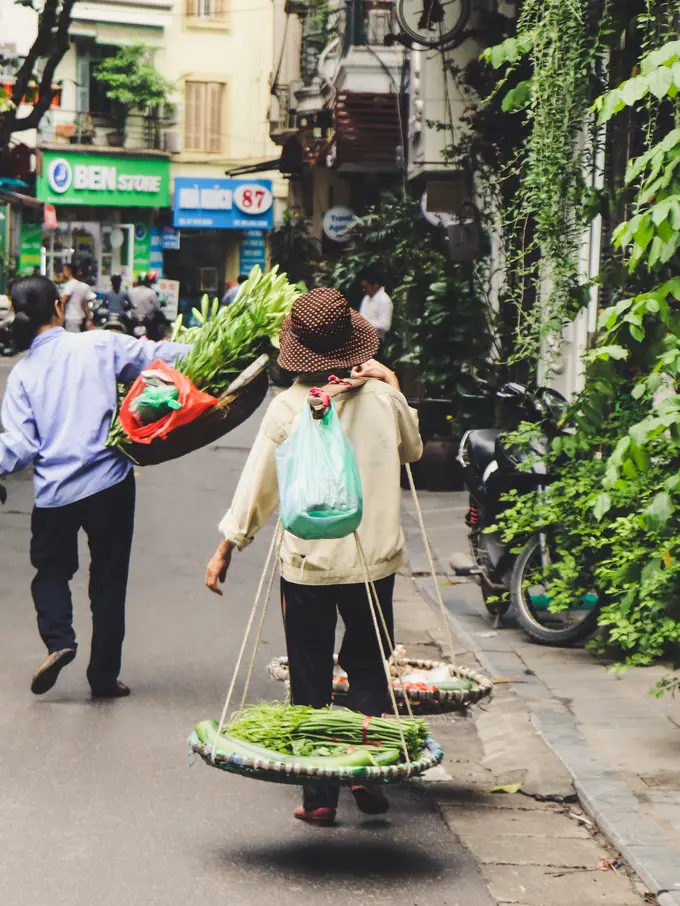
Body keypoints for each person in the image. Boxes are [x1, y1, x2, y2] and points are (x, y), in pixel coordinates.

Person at [205, 287, 422, 826]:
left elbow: (259, 487)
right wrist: (390, 382)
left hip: (308, 566)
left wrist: (229, 545)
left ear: (298, 351)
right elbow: (413, 450)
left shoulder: (288, 407)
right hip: (374, 561)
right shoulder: (383, 400)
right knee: (370, 668)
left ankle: (320, 798)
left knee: (309, 677)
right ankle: (366, 771)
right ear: (353, 343)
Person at [0, 276, 190, 698]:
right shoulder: (100, 344)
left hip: (55, 493)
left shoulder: (23, 374)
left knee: (50, 572)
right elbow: (161, 357)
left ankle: (59, 641)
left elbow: (16, 447)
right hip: (110, 485)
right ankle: (103, 677)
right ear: (59, 306)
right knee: (108, 581)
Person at [359, 270, 393, 341]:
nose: (364, 290)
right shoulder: (366, 298)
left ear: (375, 285)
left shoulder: (385, 300)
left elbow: (385, 325)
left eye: (366, 287)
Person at [60, 263, 92, 333]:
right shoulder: (83, 286)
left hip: (71, 317)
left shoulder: (69, 285)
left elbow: (63, 302)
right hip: (81, 317)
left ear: (69, 271)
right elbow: (86, 306)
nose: (63, 272)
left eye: (64, 270)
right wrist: (89, 319)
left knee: (72, 341)